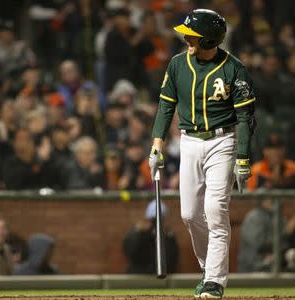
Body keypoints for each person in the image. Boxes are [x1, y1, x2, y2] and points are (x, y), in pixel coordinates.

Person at [149, 9, 256, 298]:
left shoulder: (234, 69)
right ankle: (208, 268)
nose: (186, 39)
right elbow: (165, 106)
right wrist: (156, 145)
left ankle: (214, 281)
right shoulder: (177, 64)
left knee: (215, 210)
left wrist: (243, 158)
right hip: (189, 141)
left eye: (192, 36)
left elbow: (245, 117)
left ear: (209, 39)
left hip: (223, 141)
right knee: (189, 214)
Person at [123, 199, 179, 274]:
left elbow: (171, 262)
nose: (155, 224)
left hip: (162, 277)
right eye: (153, 220)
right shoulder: (138, 234)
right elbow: (131, 254)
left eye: (160, 220)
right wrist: (142, 235)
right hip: (139, 275)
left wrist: (164, 238)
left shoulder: (168, 236)